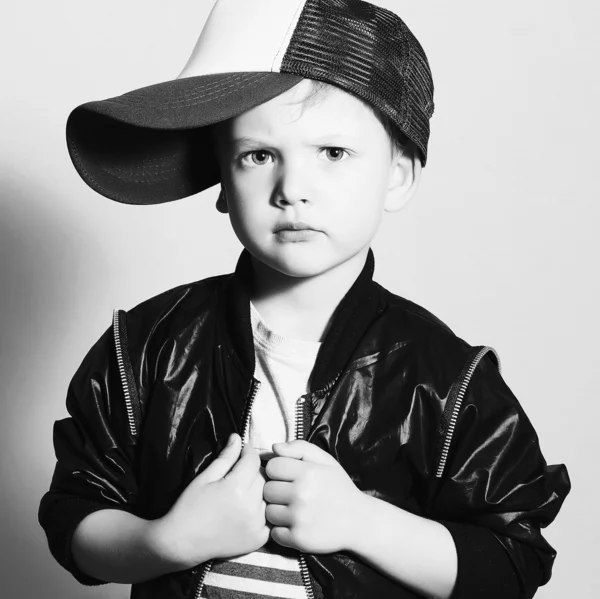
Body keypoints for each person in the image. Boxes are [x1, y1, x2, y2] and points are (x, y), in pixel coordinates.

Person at [38, 1, 570, 598]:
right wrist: (169, 541)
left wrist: (361, 522)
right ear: (220, 182)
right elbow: (75, 518)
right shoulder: (144, 348)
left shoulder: (446, 378)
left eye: (333, 153)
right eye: (258, 155)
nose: (293, 190)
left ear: (398, 174)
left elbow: (513, 559)